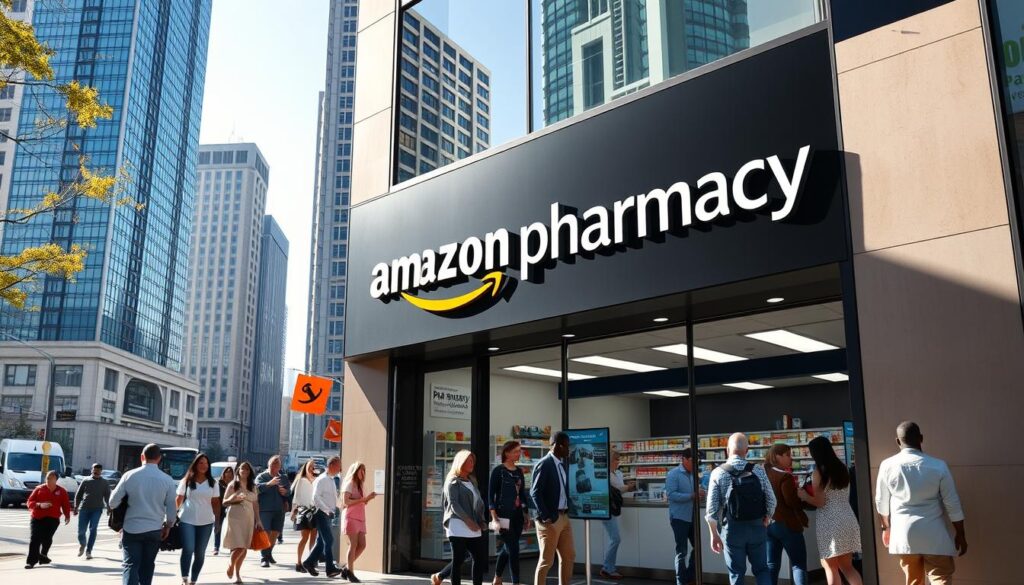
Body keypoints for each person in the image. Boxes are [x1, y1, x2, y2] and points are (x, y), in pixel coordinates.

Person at [875, 421, 967, 585]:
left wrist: (886, 528)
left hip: (904, 535)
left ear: (897, 441)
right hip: (934, 535)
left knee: (914, 582)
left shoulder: (887, 465)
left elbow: (881, 502)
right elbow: (952, 502)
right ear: (921, 438)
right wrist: (960, 533)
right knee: (941, 579)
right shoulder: (938, 466)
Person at [705, 432, 776, 585]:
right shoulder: (758, 470)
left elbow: (711, 511)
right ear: (747, 450)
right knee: (762, 570)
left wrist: (714, 535)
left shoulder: (718, 472)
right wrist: (767, 518)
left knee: (736, 573)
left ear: (727, 450)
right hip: (757, 526)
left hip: (732, 530)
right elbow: (772, 500)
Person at [109, 443, 178, 585]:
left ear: (142, 457)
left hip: (131, 528)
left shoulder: (129, 476)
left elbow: (112, 502)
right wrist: (168, 526)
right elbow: (172, 508)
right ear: (159, 459)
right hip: (154, 529)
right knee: (148, 565)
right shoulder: (167, 480)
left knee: (130, 565)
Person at [798, 436, 862, 585]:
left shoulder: (818, 473)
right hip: (847, 518)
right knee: (848, 567)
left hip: (829, 523)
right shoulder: (843, 469)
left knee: (830, 567)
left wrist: (804, 496)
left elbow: (820, 502)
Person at [530, 431, 575, 585]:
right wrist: (546, 516)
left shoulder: (562, 465)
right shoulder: (545, 463)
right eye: (567, 446)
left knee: (569, 556)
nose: (569, 450)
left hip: (563, 517)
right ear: (558, 446)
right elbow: (535, 493)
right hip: (550, 520)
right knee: (547, 561)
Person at [763, 443, 809, 585]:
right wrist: (802, 496)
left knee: (771, 564)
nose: (791, 459)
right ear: (778, 456)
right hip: (788, 524)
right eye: (788, 455)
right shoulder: (785, 477)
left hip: (769, 524)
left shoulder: (763, 474)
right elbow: (791, 502)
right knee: (798, 564)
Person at [441, 450, 489, 585]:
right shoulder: (452, 481)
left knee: (479, 559)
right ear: (460, 462)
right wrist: (468, 521)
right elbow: (454, 504)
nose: (472, 463)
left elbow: (478, 503)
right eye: (469, 460)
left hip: (473, 523)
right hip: (457, 524)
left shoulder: (472, 481)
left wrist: (481, 521)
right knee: (458, 560)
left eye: (473, 461)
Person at [489, 441, 531, 585]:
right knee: (514, 549)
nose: (518, 454)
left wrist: (526, 514)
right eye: (516, 451)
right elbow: (490, 497)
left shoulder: (519, 471)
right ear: (507, 453)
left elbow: (523, 494)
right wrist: (494, 518)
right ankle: (516, 582)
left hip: (518, 516)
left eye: (519, 451)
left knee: (508, 548)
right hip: (503, 517)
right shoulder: (498, 471)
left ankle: (498, 577)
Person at [177, 453, 221, 585]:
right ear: (195, 464)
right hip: (187, 519)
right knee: (188, 548)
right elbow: (178, 499)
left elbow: (216, 503)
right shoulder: (186, 481)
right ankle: (185, 577)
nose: (204, 466)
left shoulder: (213, 483)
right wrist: (172, 516)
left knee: (200, 552)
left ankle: (193, 580)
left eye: (206, 463)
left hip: (206, 521)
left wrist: (218, 521)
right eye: (201, 463)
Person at [666, 447, 704, 585]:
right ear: (683, 459)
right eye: (692, 461)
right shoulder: (673, 474)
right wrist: (691, 495)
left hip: (692, 516)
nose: (695, 464)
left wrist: (700, 493)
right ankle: (681, 580)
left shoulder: (694, 474)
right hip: (679, 518)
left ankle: (690, 576)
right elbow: (671, 495)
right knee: (681, 551)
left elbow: (694, 493)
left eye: (697, 462)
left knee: (697, 547)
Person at [302, 455, 344, 578]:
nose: (340, 468)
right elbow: (315, 497)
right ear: (331, 465)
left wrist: (342, 506)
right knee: (329, 540)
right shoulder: (322, 479)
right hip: (321, 513)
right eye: (338, 466)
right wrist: (326, 510)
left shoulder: (330, 479)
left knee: (321, 542)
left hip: (327, 514)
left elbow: (333, 498)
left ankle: (309, 562)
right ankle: (330, 568)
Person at [221, 461, 262, 584]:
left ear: (250, 472)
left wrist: (258, 520)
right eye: (242, 469)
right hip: (235, 517)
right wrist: (233, 498)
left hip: (248, 518)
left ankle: (237, 574)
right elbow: (224, 502)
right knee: (239, 545)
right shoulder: (233, 485)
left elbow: (255, 504)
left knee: (244, 547)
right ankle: (231, 564)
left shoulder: (253, 487)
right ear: (238, 470)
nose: (244, 471)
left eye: (247, 469)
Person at [25, 470, 71, 569]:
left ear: (56, 480)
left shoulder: (62, 491)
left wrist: (67, 515)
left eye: (51, 478)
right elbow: (29, 502)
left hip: (53, 519)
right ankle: (31, 562)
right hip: (37, 517)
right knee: (35, 539)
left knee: (46, 538)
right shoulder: (39, 489)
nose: (48, 480)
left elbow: (65, 504)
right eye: (47, 478)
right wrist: (39, 505)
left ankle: (43, 555)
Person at [600, 449, 634, 580]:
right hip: (607, 509)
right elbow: (619, 488)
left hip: (614, 508)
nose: (618, 462)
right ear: (610, 460)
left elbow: (620, 489)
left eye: (619, 459)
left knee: (614, 538)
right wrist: (628, 487)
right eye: (616, 459)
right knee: (615, 538)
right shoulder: (606, 474)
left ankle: (607, 567)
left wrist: (627, 487)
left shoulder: (618, 473)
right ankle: (608, 568)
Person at [341, 461, 377, 582]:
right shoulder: (349, 484)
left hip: (360, 517)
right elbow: (346, 502)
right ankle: (351, 572)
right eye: (361, 470)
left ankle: (346, 568)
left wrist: (368, 499)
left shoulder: (361, 485)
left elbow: (363, 502)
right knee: (353, 545)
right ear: (355, 471)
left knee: (362, 545)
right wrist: (364, 499)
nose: (363, 473)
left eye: (364, 470)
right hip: (351, 517)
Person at [255, 455, 291, 567]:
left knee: (275, 533)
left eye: (277, 463)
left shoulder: (283, 477)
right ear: (269, 465)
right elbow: (256, 489)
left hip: (279, 510)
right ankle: (264, 557)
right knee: (266, 533)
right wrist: (269, 483)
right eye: (273, 463)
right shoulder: (262, 476)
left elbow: (289, 492)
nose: (275, 465)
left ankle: (269, 553)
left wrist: (285, 492)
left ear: (280, 466)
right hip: (265, 509)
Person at [74, 462, 111, 560]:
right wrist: (76, 507)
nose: (96, 472)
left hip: (97, 509)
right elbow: (79, 494)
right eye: (95, 470)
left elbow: (107, 496)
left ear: (101, 471)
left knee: (93, 529)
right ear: (92, 470)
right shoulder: (85, 480)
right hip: (84, 509)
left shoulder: (104, 482)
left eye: (98, 471)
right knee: (81, 531)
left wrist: (109, 507)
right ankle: (82, 544)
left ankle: (89, 550)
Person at [290, 460, 319, 573]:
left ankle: (311, 561)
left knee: (313, 537)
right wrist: (294, 510)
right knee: (304, 538)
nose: (312, 468)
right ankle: (298, 562)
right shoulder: (301, 480)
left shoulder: (316, 480)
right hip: (304, 511)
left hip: (315, 511)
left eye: (313, 467)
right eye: (310, 466)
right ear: (305, 467)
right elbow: (296, 497)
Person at [212, 465, 234, 555]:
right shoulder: (218, 483)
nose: (228, 475)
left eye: (230, 473)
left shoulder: (234, 484)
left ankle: (231, 547)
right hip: (219, 508)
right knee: (217, 526)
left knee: (231, 528)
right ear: (224, 474)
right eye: (227, 472)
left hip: (231, 508)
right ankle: (216, 547)